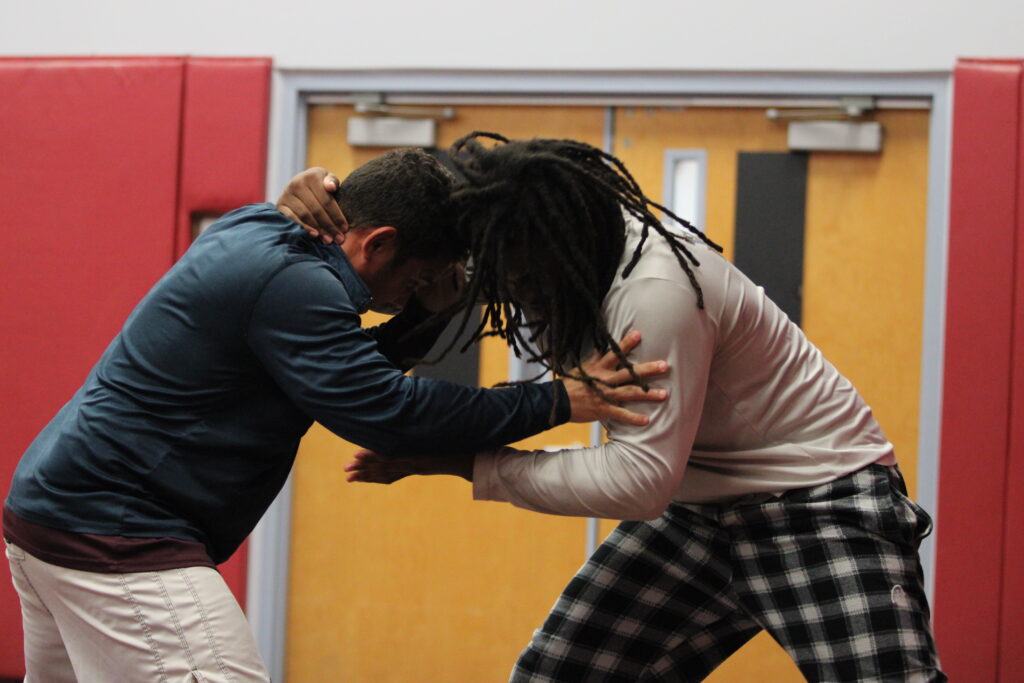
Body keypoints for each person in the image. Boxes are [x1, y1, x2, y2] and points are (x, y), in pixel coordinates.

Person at [2, 148, 667, 682]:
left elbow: (336, 367)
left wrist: (422, 315)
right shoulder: (298, 287)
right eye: (416, 276)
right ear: (377, 243)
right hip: (117, 533)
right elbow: (389, 410)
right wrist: (559, 400)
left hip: (56, 509)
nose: (415, 291)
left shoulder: (260, 231)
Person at [309, 134, 944, 681]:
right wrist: (301, 210)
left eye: (528, 285)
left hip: (813, 496)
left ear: (567, 259)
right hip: (697, 510)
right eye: (504, 283)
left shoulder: (654, 294)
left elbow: (639, 481)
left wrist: (462, 462)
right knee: (555, 674)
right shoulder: (531, 246)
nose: (522, 302)